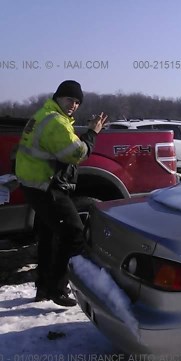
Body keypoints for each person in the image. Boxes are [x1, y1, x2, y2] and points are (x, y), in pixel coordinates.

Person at [15, 80, 108, 307]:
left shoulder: (44, 114)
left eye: (77, 102)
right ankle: (57, 288)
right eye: (69, 99)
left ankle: (43, 289)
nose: (74, 105)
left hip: (35, 184)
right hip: (45, 186)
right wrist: (93, 133)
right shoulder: (55, 121)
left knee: (48, 235)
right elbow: (76, 153)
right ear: (58, 97)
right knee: (74, 233)